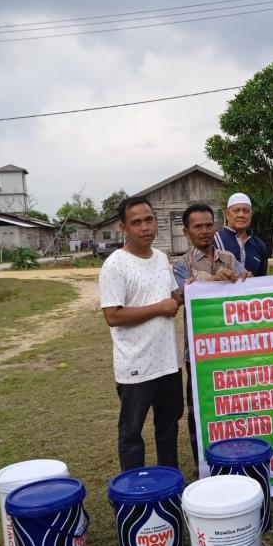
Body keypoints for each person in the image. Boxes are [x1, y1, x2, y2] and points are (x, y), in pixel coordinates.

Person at [99, 195, 184, 471]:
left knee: (168, 427)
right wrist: (160, 308)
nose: (145, 227)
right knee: (132, 432)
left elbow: (172, 297)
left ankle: (169, 486)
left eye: (149, 219)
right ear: (123, 227)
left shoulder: (161, 258)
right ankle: (134, 493)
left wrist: (203, 285)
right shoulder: (115, 265)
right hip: (136, 365)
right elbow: (113, 315)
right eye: (136, 222)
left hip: (168, 363)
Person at [174, 203, 246, 467]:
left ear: (214, 227)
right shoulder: (181, 264)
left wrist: (244, 278)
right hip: (198, 351)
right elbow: (182, 292)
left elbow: (242, 283)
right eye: (197, 227)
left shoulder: (228, 257)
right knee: (200, 411)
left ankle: (236, 459)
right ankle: (202, 466)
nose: (204, 231)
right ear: (186, 231)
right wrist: (209, 280)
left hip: (231, 348)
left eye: (208, 225)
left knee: (233, 408)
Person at [214, 192, 269, 277]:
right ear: (227, 214)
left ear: (251, 215)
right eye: (236, 211)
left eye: (246, 211)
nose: (241, 215)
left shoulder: (259, 245)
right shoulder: (214, 240)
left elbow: (261, 280)